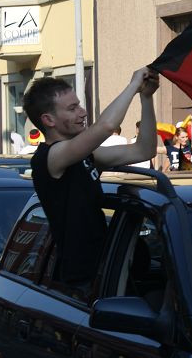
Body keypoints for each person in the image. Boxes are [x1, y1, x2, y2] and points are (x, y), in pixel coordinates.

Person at [22, 68, 158, 284]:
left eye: (79, 105)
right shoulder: (50, 158)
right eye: (72, 108)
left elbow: (144, 150)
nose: (83, 113)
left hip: (107, 274)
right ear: (49, 120)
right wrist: (133, 86)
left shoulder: (85, 156)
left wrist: (146, 97)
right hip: (81, 282)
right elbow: (106, 126)